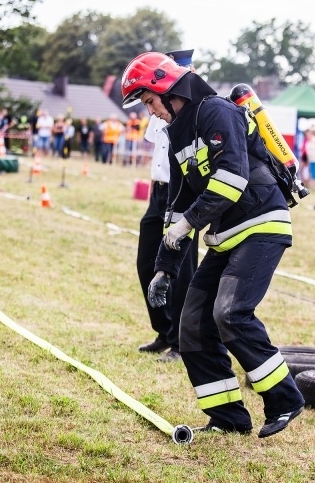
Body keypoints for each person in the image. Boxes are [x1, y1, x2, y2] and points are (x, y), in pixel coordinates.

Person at [121, 52, 304, 438]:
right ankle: (229, 419)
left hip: (261, 225)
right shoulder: (177, 136)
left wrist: (188, 222)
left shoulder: (217, 112)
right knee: (192, 327)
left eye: (150, 102)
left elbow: (232, 179)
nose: (150, 112)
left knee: (230, 313)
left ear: (167, 89)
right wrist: (164, 269)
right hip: (225, 236)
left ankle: (286, 400)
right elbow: (178, 204)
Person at [136, 49, 200, 364]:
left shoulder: (191, 111)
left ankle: (181, 342)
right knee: (146, 263)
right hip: (158, 192)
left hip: (182, 195)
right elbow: (157, 150)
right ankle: (163, 330)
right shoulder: (158, 107)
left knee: (181, 271)